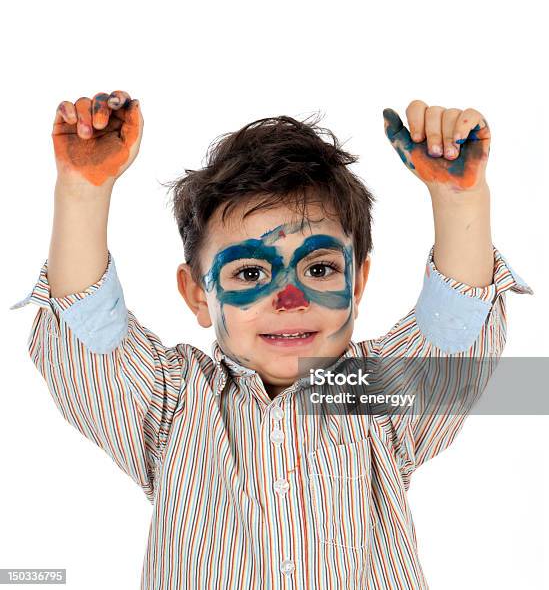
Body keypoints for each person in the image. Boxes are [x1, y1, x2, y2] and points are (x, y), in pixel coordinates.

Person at [10, 91, 534, 589]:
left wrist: (459, 198)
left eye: (321, 267)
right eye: (249, 274)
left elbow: (453, 325)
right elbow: (90, 329)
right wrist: (82, 191)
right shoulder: (171, 404)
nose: (290, 300)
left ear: (358, 284)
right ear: (198, 295)